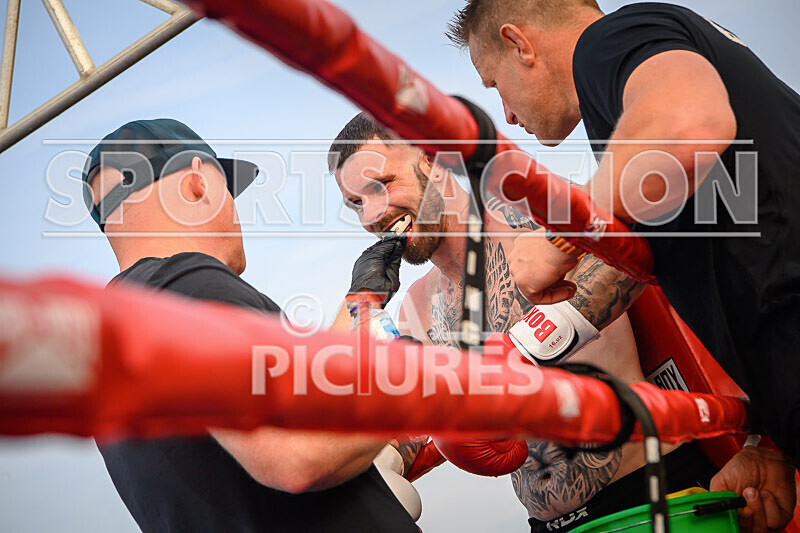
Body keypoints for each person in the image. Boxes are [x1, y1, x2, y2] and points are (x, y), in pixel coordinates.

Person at [446, 0, 799, 530]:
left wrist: (563, 235)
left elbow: (687, 125)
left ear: (520, 44)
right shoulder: (631, 107)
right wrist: (768, 443)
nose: (509, 115)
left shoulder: (608, 42)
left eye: (496, 85)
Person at [328, 113, 749, 532]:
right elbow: (424, 419)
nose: (372, 215)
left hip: (650, 494)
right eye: (356, 203)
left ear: (431, 160)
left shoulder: (532, 214)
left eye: (381, 185)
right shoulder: (417, 306)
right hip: (548, 524)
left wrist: (516, 355)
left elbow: (622, 263)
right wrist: (380, 463)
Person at [82, 118, 420, 532]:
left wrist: (361, 300)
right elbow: (297, 453)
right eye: (229, 190)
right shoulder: (185, 285)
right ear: (197, 184)